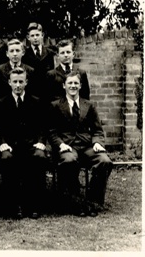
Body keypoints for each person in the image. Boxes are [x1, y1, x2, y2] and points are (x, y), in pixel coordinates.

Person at [48, 71, 113, 217]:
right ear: (64, 85)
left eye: (76, 83)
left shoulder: (89, 105)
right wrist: (60, 144)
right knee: (69, 160)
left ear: (81, 86)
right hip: (67, 146)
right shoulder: (56, 105)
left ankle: (92, 202)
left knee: (104, 161)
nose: (73, 86)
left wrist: (97, 143)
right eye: (70, 83)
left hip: (86, 146)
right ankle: (75, 203)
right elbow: (51, 131)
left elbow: (97, 129)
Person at [0, 67, 48, 219]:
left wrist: (41, 142)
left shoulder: (36, 101)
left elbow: (43, 126)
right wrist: (2, 143)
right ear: (9, 83)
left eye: (21, 82)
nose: (18, 85)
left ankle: (33, 204)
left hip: (30, 144)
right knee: (6, 158)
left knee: (38, 157)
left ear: (26, 82)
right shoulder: (1, 102)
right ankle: (13, 204)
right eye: (15, 82)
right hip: (10, 145)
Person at [45, 39, 90, 103]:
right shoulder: (51, 74)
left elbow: (85, 97)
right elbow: (48, 99)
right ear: (58, 55)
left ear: (73, 54)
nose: (66, 55)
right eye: (62, 53)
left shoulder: (81, 73)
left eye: (68, 52)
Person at [0, 38, 35, 103]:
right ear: (7, 54)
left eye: (17, 50)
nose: (15, 54)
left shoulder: (30, 70)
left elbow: (31, 92)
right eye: (12, 51)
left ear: (23, 52)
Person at [22, 22, 55, 100]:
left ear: (42, 35)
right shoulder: (24, 54)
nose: (35, 38)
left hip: (47, 92)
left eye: (37, 35)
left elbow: (51, 73)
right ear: (28, 37)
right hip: (31, 92)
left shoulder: (49, 53)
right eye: (32, 36)